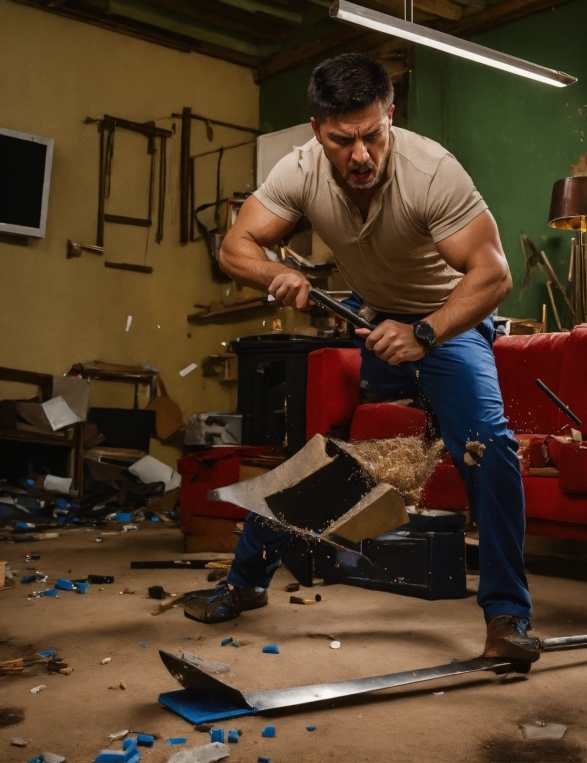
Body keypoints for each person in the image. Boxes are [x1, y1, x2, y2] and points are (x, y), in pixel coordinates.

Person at [184, 53, 540, 664]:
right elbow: (235, 247)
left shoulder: (433, 174)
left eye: (374, 134)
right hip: (370, 319)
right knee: (324, 455)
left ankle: (507, 617)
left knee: (490, 447)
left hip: (447, 324)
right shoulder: (298, 171)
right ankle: (243, 584)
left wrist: (426, 333)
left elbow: (493, 274)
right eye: (344, 139)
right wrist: (275, 274)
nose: (362, 155)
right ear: (317, 128)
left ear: (390, 117)